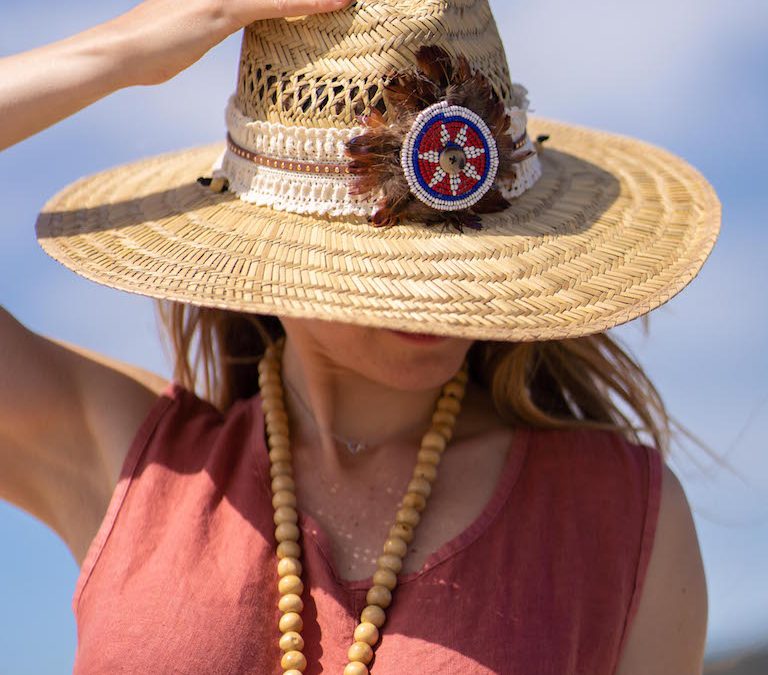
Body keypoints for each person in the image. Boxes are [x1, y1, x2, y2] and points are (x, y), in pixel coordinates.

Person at [1, 1, 717, 673]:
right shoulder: (138, 467)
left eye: (464, 252)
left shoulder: (620, 520)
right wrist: (127, 47)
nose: (436, 291)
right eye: (388, 255)